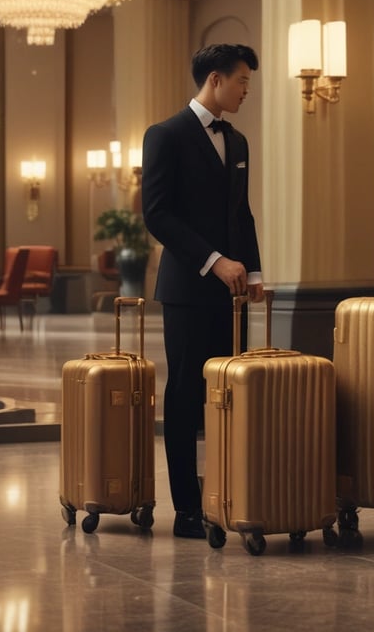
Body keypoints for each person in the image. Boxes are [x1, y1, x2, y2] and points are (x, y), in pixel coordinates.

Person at [141, 43, 264, 539]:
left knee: (228, 394)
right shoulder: (164, 135)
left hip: (233, 292)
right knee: (187, 394)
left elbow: (242, 213)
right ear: (215, 79)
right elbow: (157, 215)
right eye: (241, 82)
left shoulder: (238, 142)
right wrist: (215, 262)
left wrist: (252, 274)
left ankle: (224, 495)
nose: (245, 92)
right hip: (189, 289)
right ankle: (187, 508)